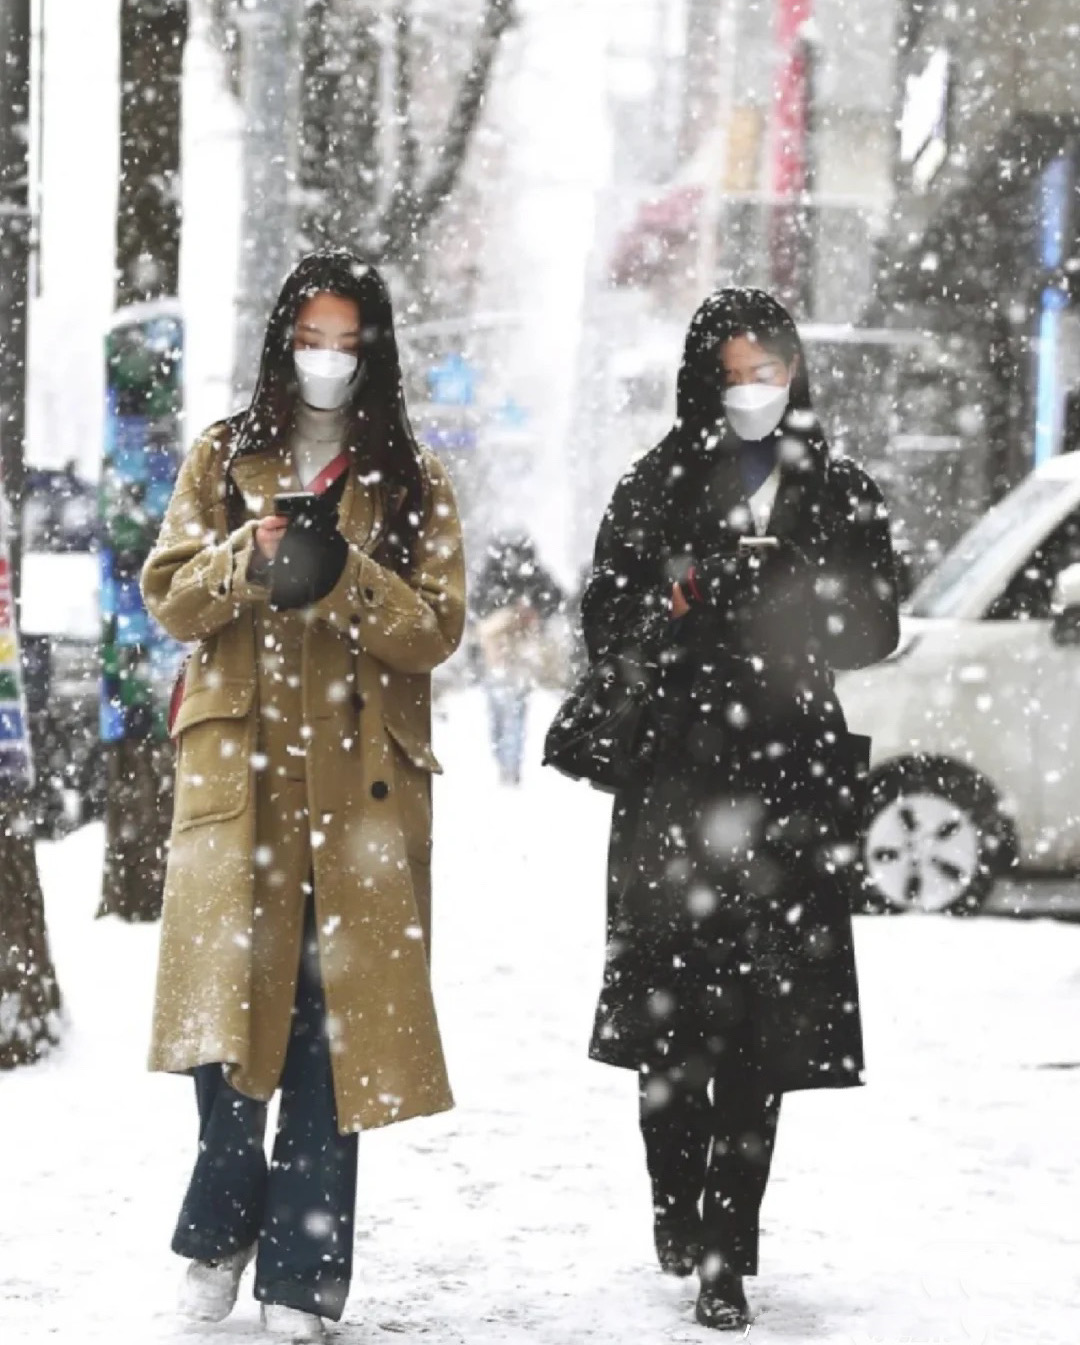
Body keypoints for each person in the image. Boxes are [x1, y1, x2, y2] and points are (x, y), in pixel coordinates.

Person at [141, 249, 466, 1340]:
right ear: (285, 341)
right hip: (244, 785)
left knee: (334, 1039)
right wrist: (252, 550)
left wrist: (344, 577)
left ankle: (302, 1279)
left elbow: (434, 630)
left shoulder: (414, 478)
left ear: (372, 352)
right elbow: (174, 601)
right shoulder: (222, 456)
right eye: (311, 338)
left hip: (362, 796)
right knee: (229, 1022)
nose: (327, 361)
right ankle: (221, 1230)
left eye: (347, 342)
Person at [579, 288, 899, 1331]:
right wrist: (684, 598)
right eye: (736, 369)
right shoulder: (657, 486)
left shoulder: (836, 488)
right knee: (672, 1026)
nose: (756, 389)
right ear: (704, 376)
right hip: (676, 779)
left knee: (759, 1027)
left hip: (788, 781)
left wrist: (802, 590)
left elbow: (875, 625)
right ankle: (677, 1203)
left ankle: (727, 1246)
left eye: (773, 369)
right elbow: (606, 618)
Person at [471, 532, 562, 786]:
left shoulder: (499, 574)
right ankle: (508, 763)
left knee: (507, 714)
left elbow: (474, 607)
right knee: (506, 715)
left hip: (513, 657)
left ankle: (509, 765)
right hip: (504, 657)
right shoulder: (528, 575)